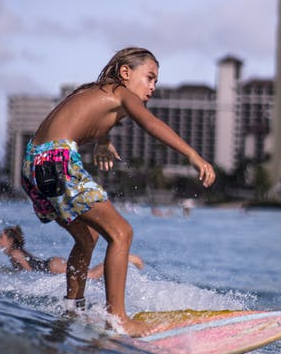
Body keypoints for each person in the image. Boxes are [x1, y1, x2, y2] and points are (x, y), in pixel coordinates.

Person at [20, 46, 215, 336]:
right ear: (126, 72)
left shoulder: (98, 91)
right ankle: (119, 318)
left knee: (88, 237)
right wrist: (192, 154)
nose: (152, 87)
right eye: (149, 78)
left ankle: (73, 306)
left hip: (33, 164)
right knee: (122, 233)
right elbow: (150, 123)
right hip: (56, 161)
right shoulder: (122, 94)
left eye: (156, 82)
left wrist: (102, 141)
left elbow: (85, 116)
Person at [0, 225, 144, 278]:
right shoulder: (16, 253)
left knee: (90, 275)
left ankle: (127, 258)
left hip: (52, 267)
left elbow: (29, 272)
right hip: (52, 264)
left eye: (1, 237)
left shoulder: (15, 254)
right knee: (87, 275)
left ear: (10, 241)